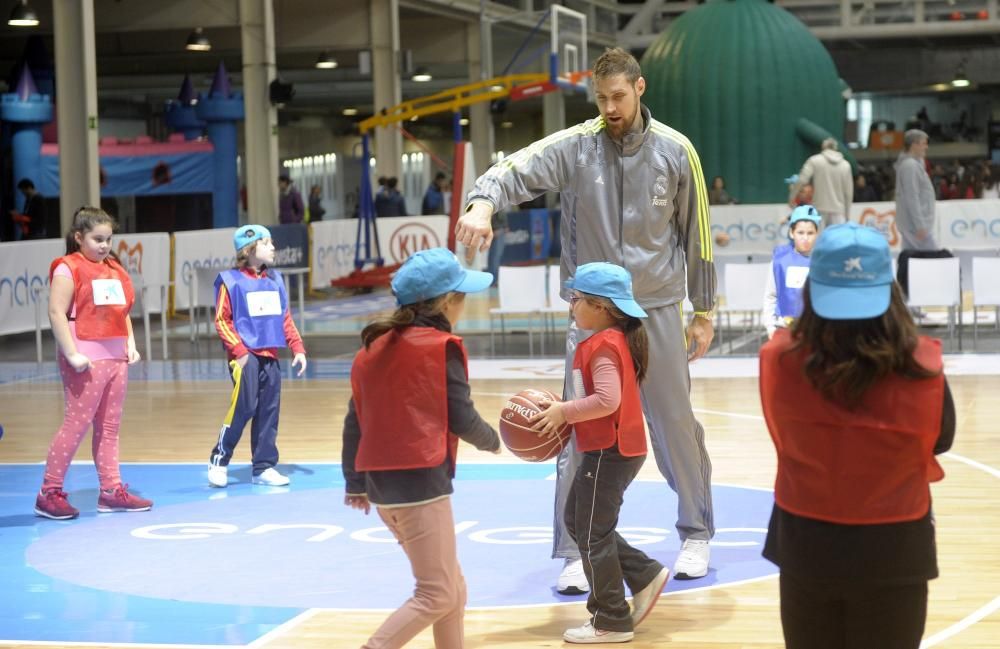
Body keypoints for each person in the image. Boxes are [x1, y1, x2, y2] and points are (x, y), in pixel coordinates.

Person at [456, 47, 718, 592]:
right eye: (601, 98)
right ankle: (574, 549)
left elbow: (699, 236)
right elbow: (512, 169)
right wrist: (481, 203)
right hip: (593, 317)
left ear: (639, 88)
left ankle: (696, 532)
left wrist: (705, 309)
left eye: (618, 96)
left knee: (673, 425)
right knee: (572, 427)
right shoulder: (575, 147)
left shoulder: (677, 151)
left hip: (659, 310)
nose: (610, 107)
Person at [759, 222, 955, 649]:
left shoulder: (778, 360)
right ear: (890, 291)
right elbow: (940, 440)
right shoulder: (923, 366)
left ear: (813, 290)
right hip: (895, 548)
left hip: (805, 544)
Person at [342, 247, 500, 649]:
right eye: (463, 295)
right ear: (447, 301)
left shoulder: (371, 348)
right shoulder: (441, 346)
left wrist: (355, 483)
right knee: (438, 594)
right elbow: (462, 418)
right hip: (420, 487)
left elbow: (354, 422)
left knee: (453, 588)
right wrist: (497, 440)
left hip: (381, 491)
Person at [530, 262, 672, 644]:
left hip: (611, 450)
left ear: (602, 307)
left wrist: (564, 411)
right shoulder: (609, 339)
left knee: (592, 534)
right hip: (609, 448)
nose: (571, 305)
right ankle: (643, 574)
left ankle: (611, 619)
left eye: (576, 299)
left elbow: (607, 401)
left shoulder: (605, 345)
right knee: (579, 524)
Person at [35, 207, 151, 519]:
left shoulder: (113, 267)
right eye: (97, 239)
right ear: (78, 237)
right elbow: (56, 313)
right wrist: (72, 353)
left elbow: (121, 311)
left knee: (109, 427)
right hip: (85, 356)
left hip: (116, 356)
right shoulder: (67, 268)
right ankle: (49, 493)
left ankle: (111, 491)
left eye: (108, 239)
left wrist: (131, 343)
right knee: (76, 424)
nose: (104, 245)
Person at [207, 225, 307, 488]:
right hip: (245, 357)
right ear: (249, 250)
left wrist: (297, 347)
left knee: (268, 411)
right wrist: (239, 352)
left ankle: (263, 467)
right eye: (267, 243)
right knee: (244, 407)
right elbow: (222, 320)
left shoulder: (275, 280)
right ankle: (219, 458)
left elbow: (285, 317)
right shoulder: (230, 281)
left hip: (270, 355)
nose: (273, 247)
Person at [762, 205, 821, 339]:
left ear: (817, 234)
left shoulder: (822, 262)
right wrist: (771, 328)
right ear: (791, 233)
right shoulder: (779, 260)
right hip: (783, 330)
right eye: (800, 233)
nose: (805, 238)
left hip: (815, 331)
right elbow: (770, 296)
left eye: (810, 233)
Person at [789, 138, 853, 227]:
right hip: (838, 211)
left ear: (823, 148)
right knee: (837, 239)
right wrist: (847, 215)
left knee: (819, 240)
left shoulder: (814, 161)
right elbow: (848, 193)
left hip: (819, 208)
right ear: (836, 148)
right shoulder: (846, 165)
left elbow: (802, 180)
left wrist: (792, 197)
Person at [894, 129, 937, 252]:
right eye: (924, 143)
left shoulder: (913, 164)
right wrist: (920, 225)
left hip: (913, 224)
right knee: (934, 258)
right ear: (914, 144)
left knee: (910, 259)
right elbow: (911, 197)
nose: (926, 147)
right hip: (914, 225)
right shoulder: (910, 166)